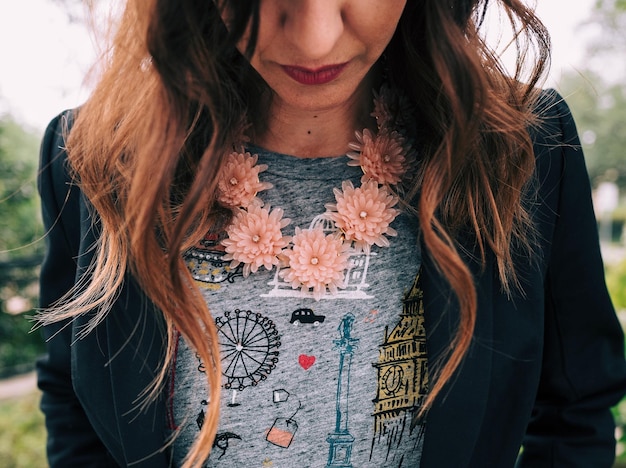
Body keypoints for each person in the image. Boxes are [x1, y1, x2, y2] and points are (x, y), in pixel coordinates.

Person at [36, 0, 626, 467]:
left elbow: (576, 403)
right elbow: (78, 398)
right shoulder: (91, 161)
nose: (315, 37)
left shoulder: (523, 151)